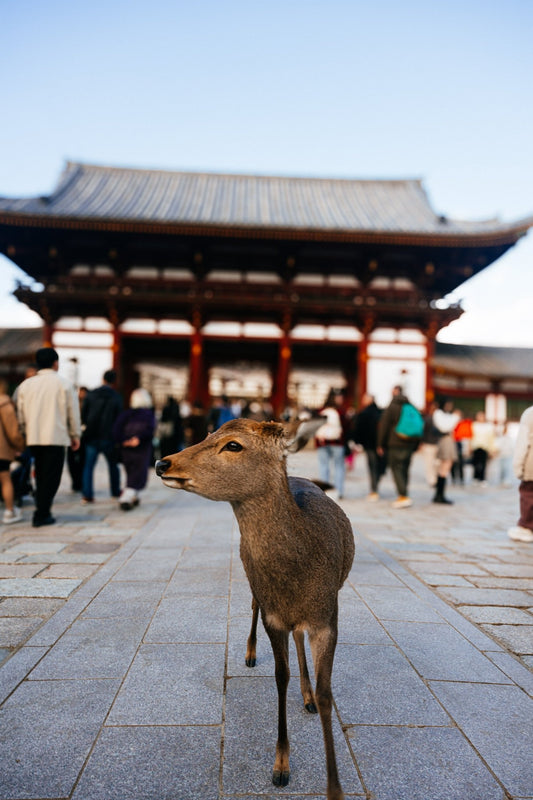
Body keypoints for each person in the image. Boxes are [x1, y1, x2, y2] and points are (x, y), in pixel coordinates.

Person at [16, 347, 81, 527]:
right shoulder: (65, 384)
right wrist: (75, 435)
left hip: (33, 437)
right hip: (56, 437)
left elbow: (20, 414)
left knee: (40, 475)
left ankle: (42, 510)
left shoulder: (26, 385)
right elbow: (72, 413)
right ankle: (42, 513)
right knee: (51, 477)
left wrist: (23, 432)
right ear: (55, 363)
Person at [80, 371, 123, 504]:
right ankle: (115, 492)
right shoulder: (116, 397)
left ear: (103, 379)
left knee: (88, 466)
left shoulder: (91, 394)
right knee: (113, 465)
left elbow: (83, 415)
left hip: (91, 436)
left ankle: (87, 495)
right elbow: (119, 419)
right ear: (114, 381)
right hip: (109, 437)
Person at [377, 385, 421, 508]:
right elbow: (418, 426)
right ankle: (404, 492)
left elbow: (384, 427)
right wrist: (416, 445)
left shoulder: (392, 407)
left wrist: (380, 444)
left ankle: (403, 495)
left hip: (395, 443)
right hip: (409, 444)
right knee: (405, 468)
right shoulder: (411, 407)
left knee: (396, 468)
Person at [112, 387, 156, 510]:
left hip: (126, 449)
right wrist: (137, 439)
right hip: (141, 448)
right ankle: (125, 498)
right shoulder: (148, 414)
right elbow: (150, 430)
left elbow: (116, 430)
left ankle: (133, 496)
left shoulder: (126, 414)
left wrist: (124, 441)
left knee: (131, 472)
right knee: (138, 473)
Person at [0, 379, 25, 524]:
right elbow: (12, 430)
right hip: (1, 450)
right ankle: (10, 511)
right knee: (5, 479)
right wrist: (20, 445)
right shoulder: (4, 403)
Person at [351, 392, 385, 501]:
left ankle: (374, 490)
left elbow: (359, 429)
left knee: (372, 466)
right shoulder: (380, 412)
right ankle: (375, 485)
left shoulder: (364, 413)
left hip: (370, 444)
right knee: (379, 465)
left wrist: (357, 442)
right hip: (381, 444)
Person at [315, 390, 347, 500]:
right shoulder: (340, 411)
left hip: (322, 442)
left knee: (323, 466)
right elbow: (346, 427)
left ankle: (324, 491)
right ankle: (339, 491)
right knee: (339, 466)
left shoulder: (321, 411)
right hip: (337, 443)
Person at [508, 405, 533, 543]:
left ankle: (527, 527)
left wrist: (518, 466)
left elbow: (523, 443)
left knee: (528, 495)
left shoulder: (530, 413)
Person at [432, 399, 460, 504]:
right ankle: (439, 495)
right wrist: (455, 417)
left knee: (445, 469)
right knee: (444, 468)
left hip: (449, 440)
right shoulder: (438, 413)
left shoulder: (446, 415)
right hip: (445, 440)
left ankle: (439, 494)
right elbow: (444, 428)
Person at [67, 386, 88, 492]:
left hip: (84, 436)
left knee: (83, 461)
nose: (81, 395)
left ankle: (80, 482)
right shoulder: (72, 404)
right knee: (71, 461)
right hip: (72, 436)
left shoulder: (88, 405)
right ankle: (75, 482)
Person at [471, 410, 495, 485]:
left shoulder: (488, 426)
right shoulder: (473, 425)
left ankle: (482, 478)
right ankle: (475, 478)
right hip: (475, 446)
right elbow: (470, 437)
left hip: (485, 447)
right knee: (475, 463)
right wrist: (469, 447)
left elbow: (491, 438)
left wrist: (492, 449)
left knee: (483, 464)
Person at [420, 400, 440, 488]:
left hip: (431, 444)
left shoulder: (428, 419)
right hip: (432, 444)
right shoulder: (434, 420)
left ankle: (433, 479)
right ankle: (433, 479)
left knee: (432, 463)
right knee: (433, 463)